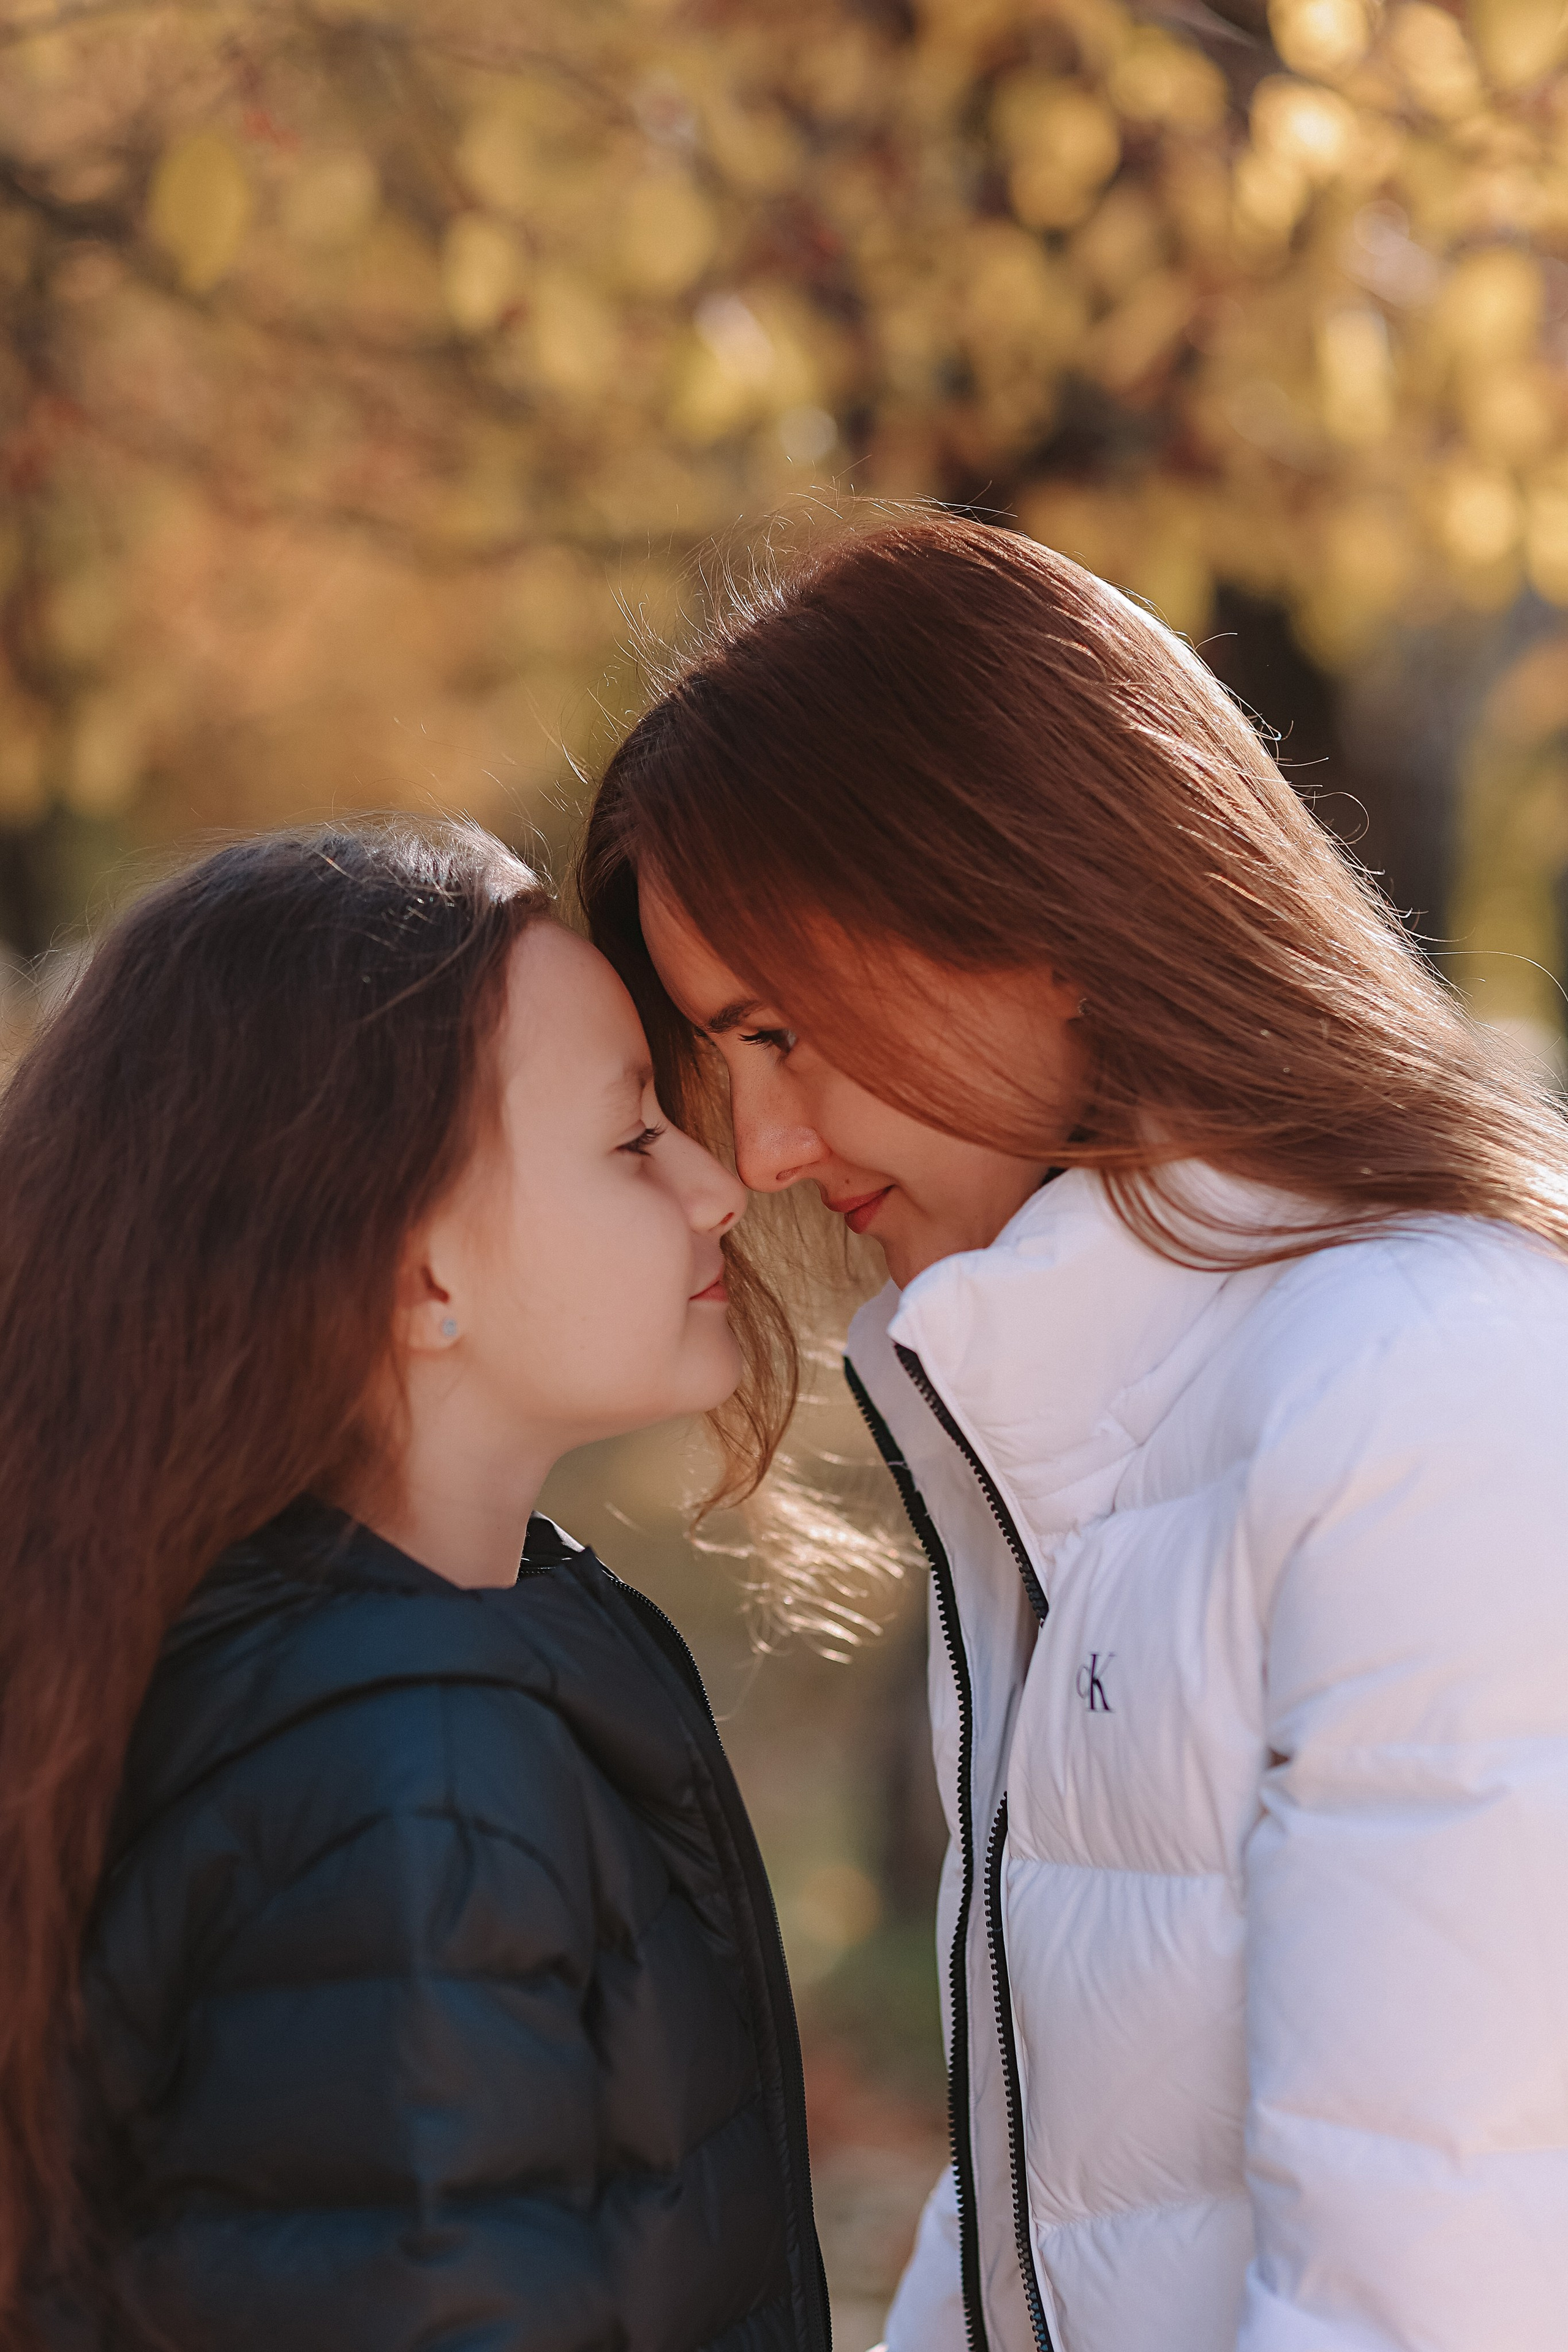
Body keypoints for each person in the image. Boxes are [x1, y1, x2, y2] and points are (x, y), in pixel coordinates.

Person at [578, 514, 1568, 2352]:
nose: (771, 1150)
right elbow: (1053, 2202)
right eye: (731, 1062)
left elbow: (1436, 2277)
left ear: (1035, 909)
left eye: (785, 1028)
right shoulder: (1092, 1449)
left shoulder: (1415, 1387)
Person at [0, 821, 830, 2352]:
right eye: (633, 1136)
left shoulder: (311, 1672)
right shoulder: (413, 1788)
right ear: (418, 1274)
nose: (717, 1187)